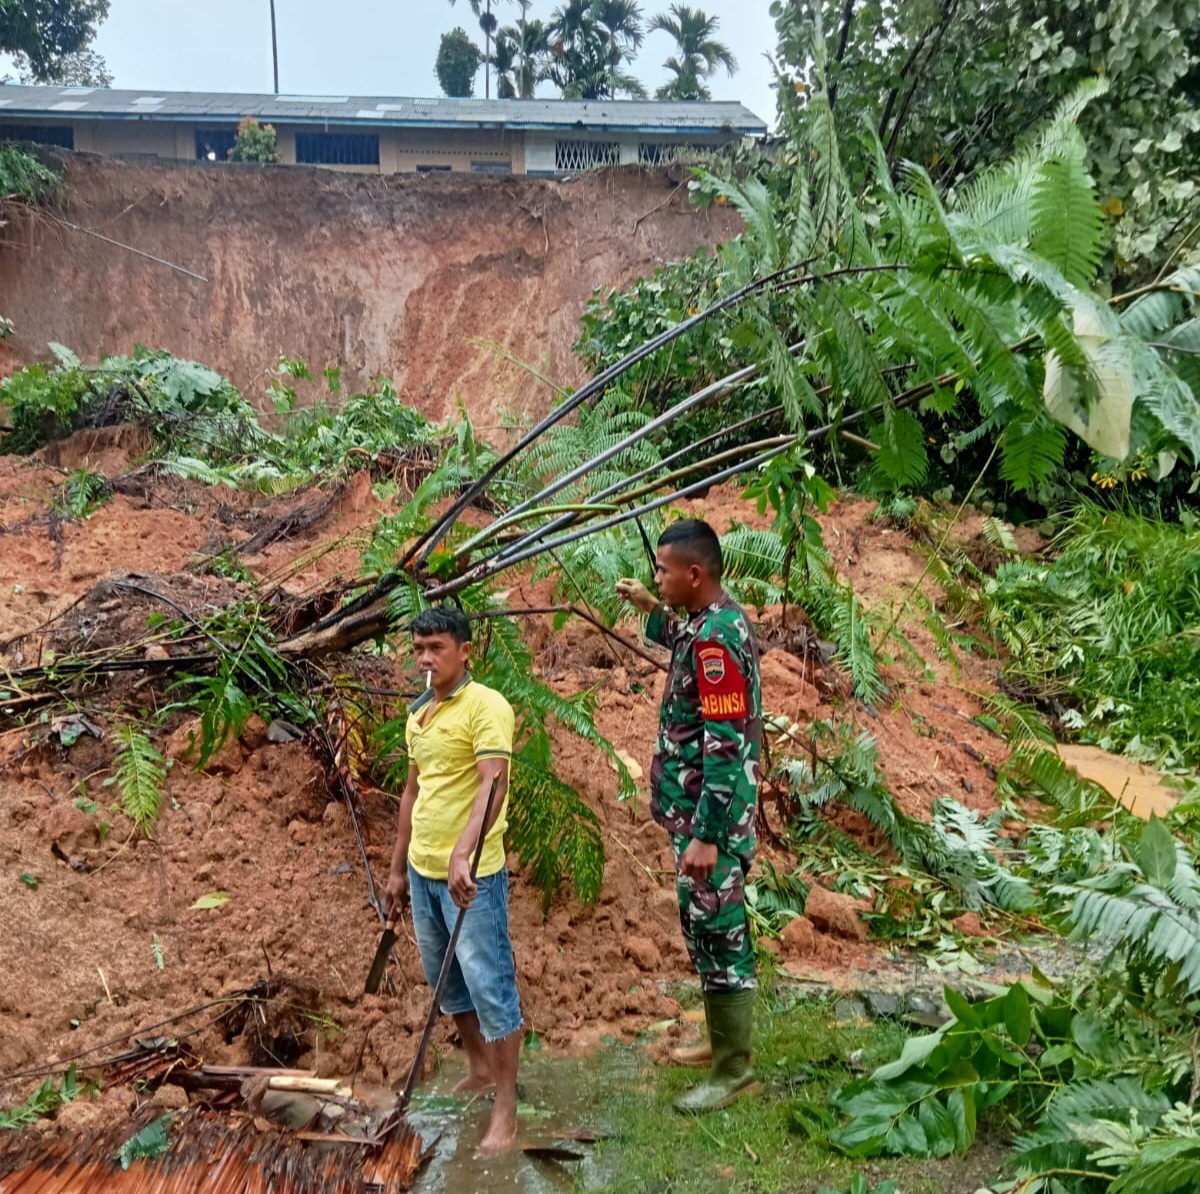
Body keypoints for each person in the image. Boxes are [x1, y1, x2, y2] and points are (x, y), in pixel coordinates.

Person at [616, 518, 763, 1114]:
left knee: (720, 930)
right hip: (701, 815)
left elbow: (725, 743)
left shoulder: (715, 643)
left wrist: (706, 835)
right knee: (704, 926)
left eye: (664, 572)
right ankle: (719, 1040)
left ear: (694, 574)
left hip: (713, 822)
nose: (658, 576)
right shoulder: (709, 624)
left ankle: (735, 1070)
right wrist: (653, 609)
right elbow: (682, 639)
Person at [383, 605, 522, 1156]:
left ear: (466, 651)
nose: (425, 658)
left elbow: (494, 782)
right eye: (418, 648)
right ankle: (480, 1069)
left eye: (437, 647)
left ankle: (506, 1108)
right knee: (447, 981)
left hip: (472, 876)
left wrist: (464, 851)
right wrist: (397, 869)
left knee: (491, 985)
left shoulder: (486, 706)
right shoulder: (419, 714)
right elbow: (412, 794)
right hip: (423, 870)